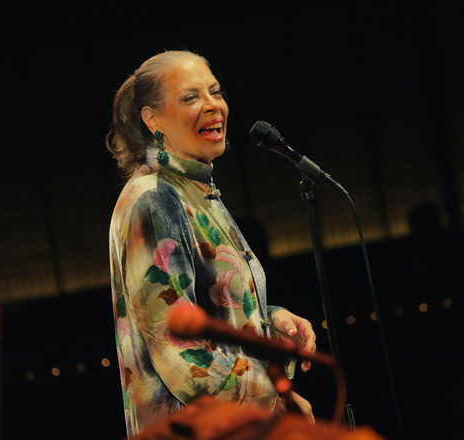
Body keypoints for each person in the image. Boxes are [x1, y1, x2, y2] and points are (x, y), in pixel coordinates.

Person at [105, 50, 317, 436]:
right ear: (153, 120)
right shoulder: (155, 198)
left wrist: (271, 321)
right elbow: (176, 346)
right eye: (190, 97)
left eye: (215, 92)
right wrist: (274, 399)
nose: (212, 105)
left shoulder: (194, 190)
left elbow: (213, 312)